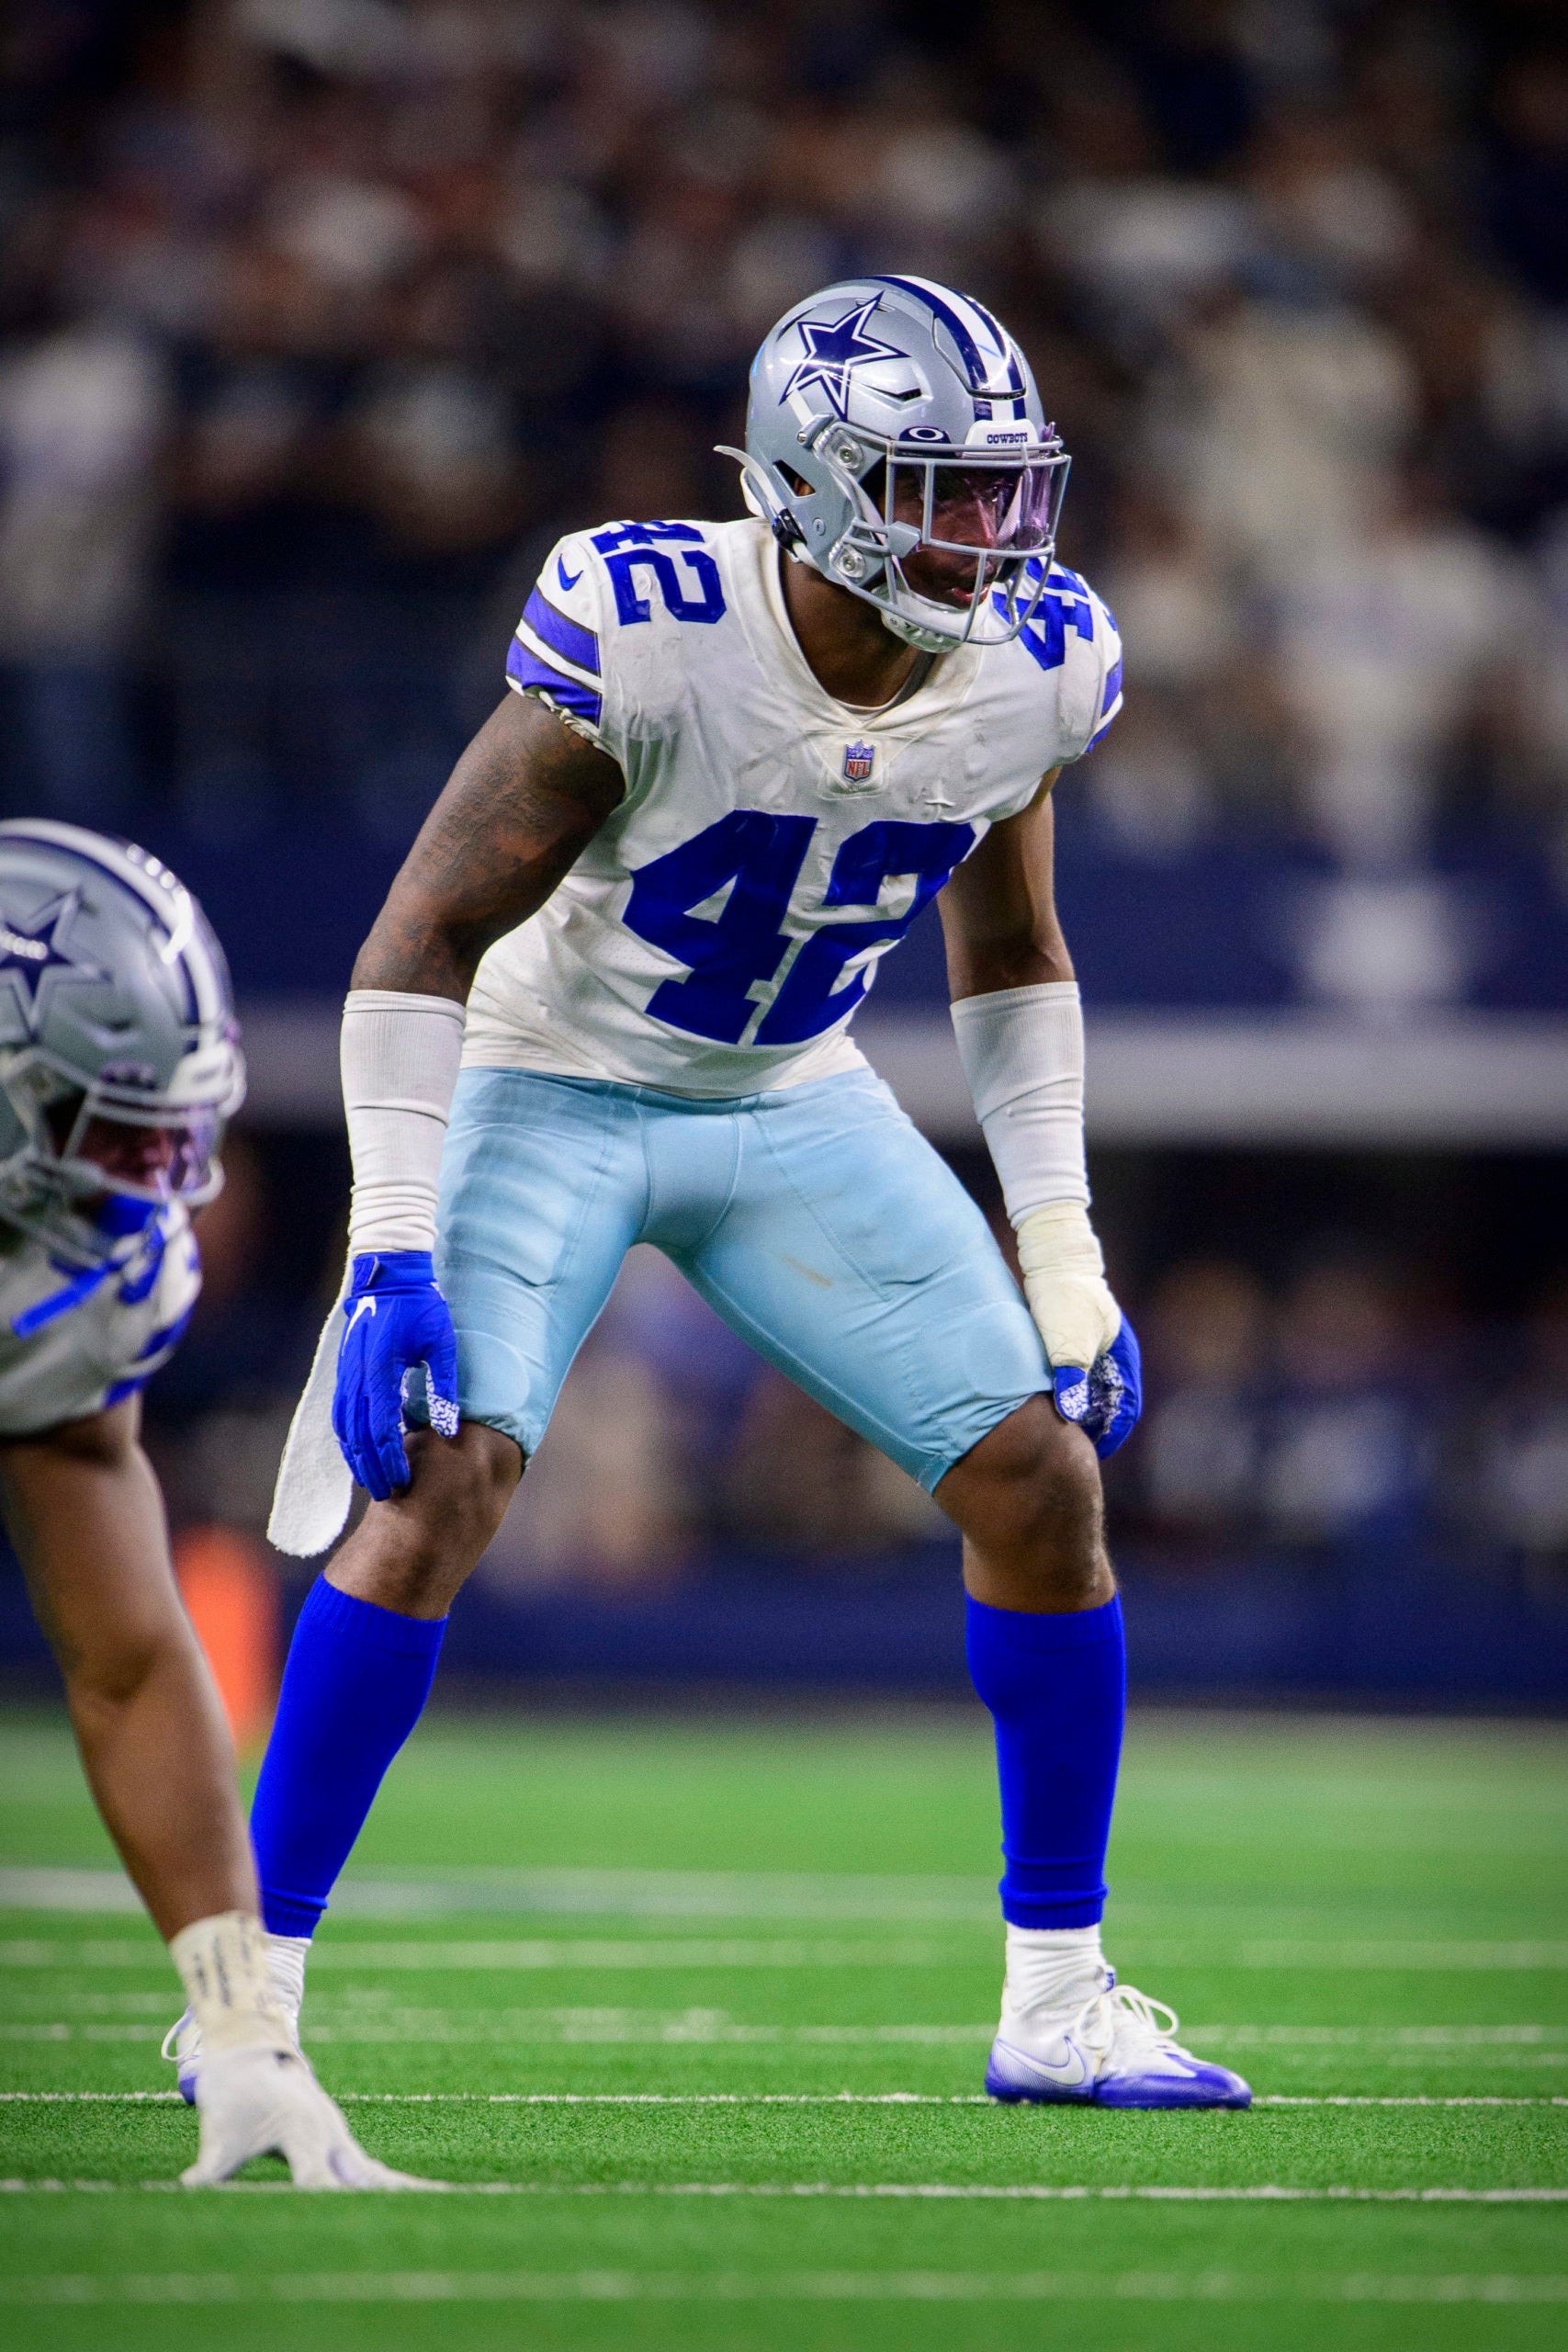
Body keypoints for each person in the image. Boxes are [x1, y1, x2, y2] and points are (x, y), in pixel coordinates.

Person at [251, 277, 1250, 2109]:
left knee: (1041, 1477)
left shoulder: (1031, 657)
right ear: (810, 479)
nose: (986, 532)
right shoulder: (649, 622)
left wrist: (1061, 1241)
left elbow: (1013, 948)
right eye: (935, 489)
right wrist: (388, 1241)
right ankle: (251, 1990)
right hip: (547, 1083)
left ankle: (1055, 1995)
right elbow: (419, 934)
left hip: (788, 1095)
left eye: (999, 488)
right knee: (436, 1479)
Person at [0, 820, 425, 2186]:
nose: (156, 1180)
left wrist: (241, 2028)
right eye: (114, 1131)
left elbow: (126, 1658)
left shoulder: (75, 1279)